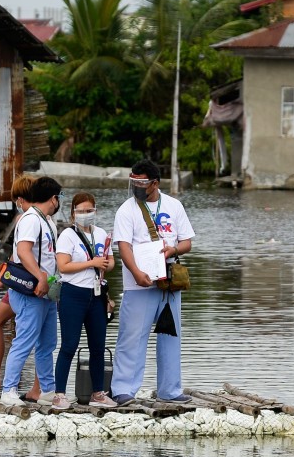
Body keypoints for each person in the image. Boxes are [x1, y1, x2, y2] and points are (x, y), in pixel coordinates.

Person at [111, 160, 195, 404]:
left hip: (168, 284)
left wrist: (173, 249)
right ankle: (123, 389)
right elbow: (124, 247)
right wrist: (136, 272)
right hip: (139, 284)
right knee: (132, 337)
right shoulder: (127, 210)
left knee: (171, 336)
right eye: (133, 181)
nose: (136, 186)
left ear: (155, 183)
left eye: (142, 182)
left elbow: (187, 242)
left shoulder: (174, 205)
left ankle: (170, 390)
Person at [0, 174, 41, 400]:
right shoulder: (44, 218)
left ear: (21, 198)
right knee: (40, 335)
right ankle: (39, 388)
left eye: (16, 200)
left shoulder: (28, 219)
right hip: (35, 285)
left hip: (26, 286)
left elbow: (20, 257)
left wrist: (0, 280)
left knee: (6, 325)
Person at [0, 176, 62, 407]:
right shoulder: (31, 219)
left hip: (47, 293)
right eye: (59, 197)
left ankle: (47, 390)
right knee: (24, 340)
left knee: (47, 343)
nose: (59, 202)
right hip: (30, 291)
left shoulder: (47, 222)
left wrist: (50, 282)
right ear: (53, 199)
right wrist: (40, 277)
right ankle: (8, 390)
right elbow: (23, 252)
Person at [52, 193, 117, 410]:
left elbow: (111, 263)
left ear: (95, 211)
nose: (85, 215)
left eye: (89, 210)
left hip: (96, 294)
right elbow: (63, 266)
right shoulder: (67, 235)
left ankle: (98, 392)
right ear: (73, 213)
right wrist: (92, 263)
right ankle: (59, 394)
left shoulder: (100, 233)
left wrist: (104, 264)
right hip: (73, 293)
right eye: (80, 211)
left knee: (97, 346)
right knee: (69, 345)